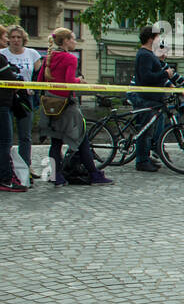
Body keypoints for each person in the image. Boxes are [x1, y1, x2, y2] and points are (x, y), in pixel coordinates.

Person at [37, 28, 111, 187]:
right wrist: (80, 81)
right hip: (66, 105)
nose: (75, 41)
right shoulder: (70, 58)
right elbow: (69, 81)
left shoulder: (49, 57)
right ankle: (94, 174)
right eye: (73, 39)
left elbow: (39, 79)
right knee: (82, 138)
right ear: (65, 41)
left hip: (50, 104)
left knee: (56, 142)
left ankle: (56, 176)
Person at [2, 25, 40, 187]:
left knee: (25, 135)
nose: (15, 40)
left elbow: (40, 74)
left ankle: (26, 167)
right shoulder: (2, 54)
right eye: (12, 37)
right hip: (7, 98)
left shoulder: (32, 53)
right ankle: (9, 169)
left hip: (25, 98)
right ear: (8, 39)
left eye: (18, 37)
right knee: (7, 137)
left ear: (23, 39)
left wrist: (35, 88)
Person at [132, 25, 174, 172]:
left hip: (153, 98)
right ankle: (141, 161)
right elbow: (147, 77)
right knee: (146, 131)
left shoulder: (148, 54)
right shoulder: (145, 55)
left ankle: (145, 157)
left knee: (149, 131)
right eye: (157, 37)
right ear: (151, 39)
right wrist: (165, 74)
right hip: (147, 98)